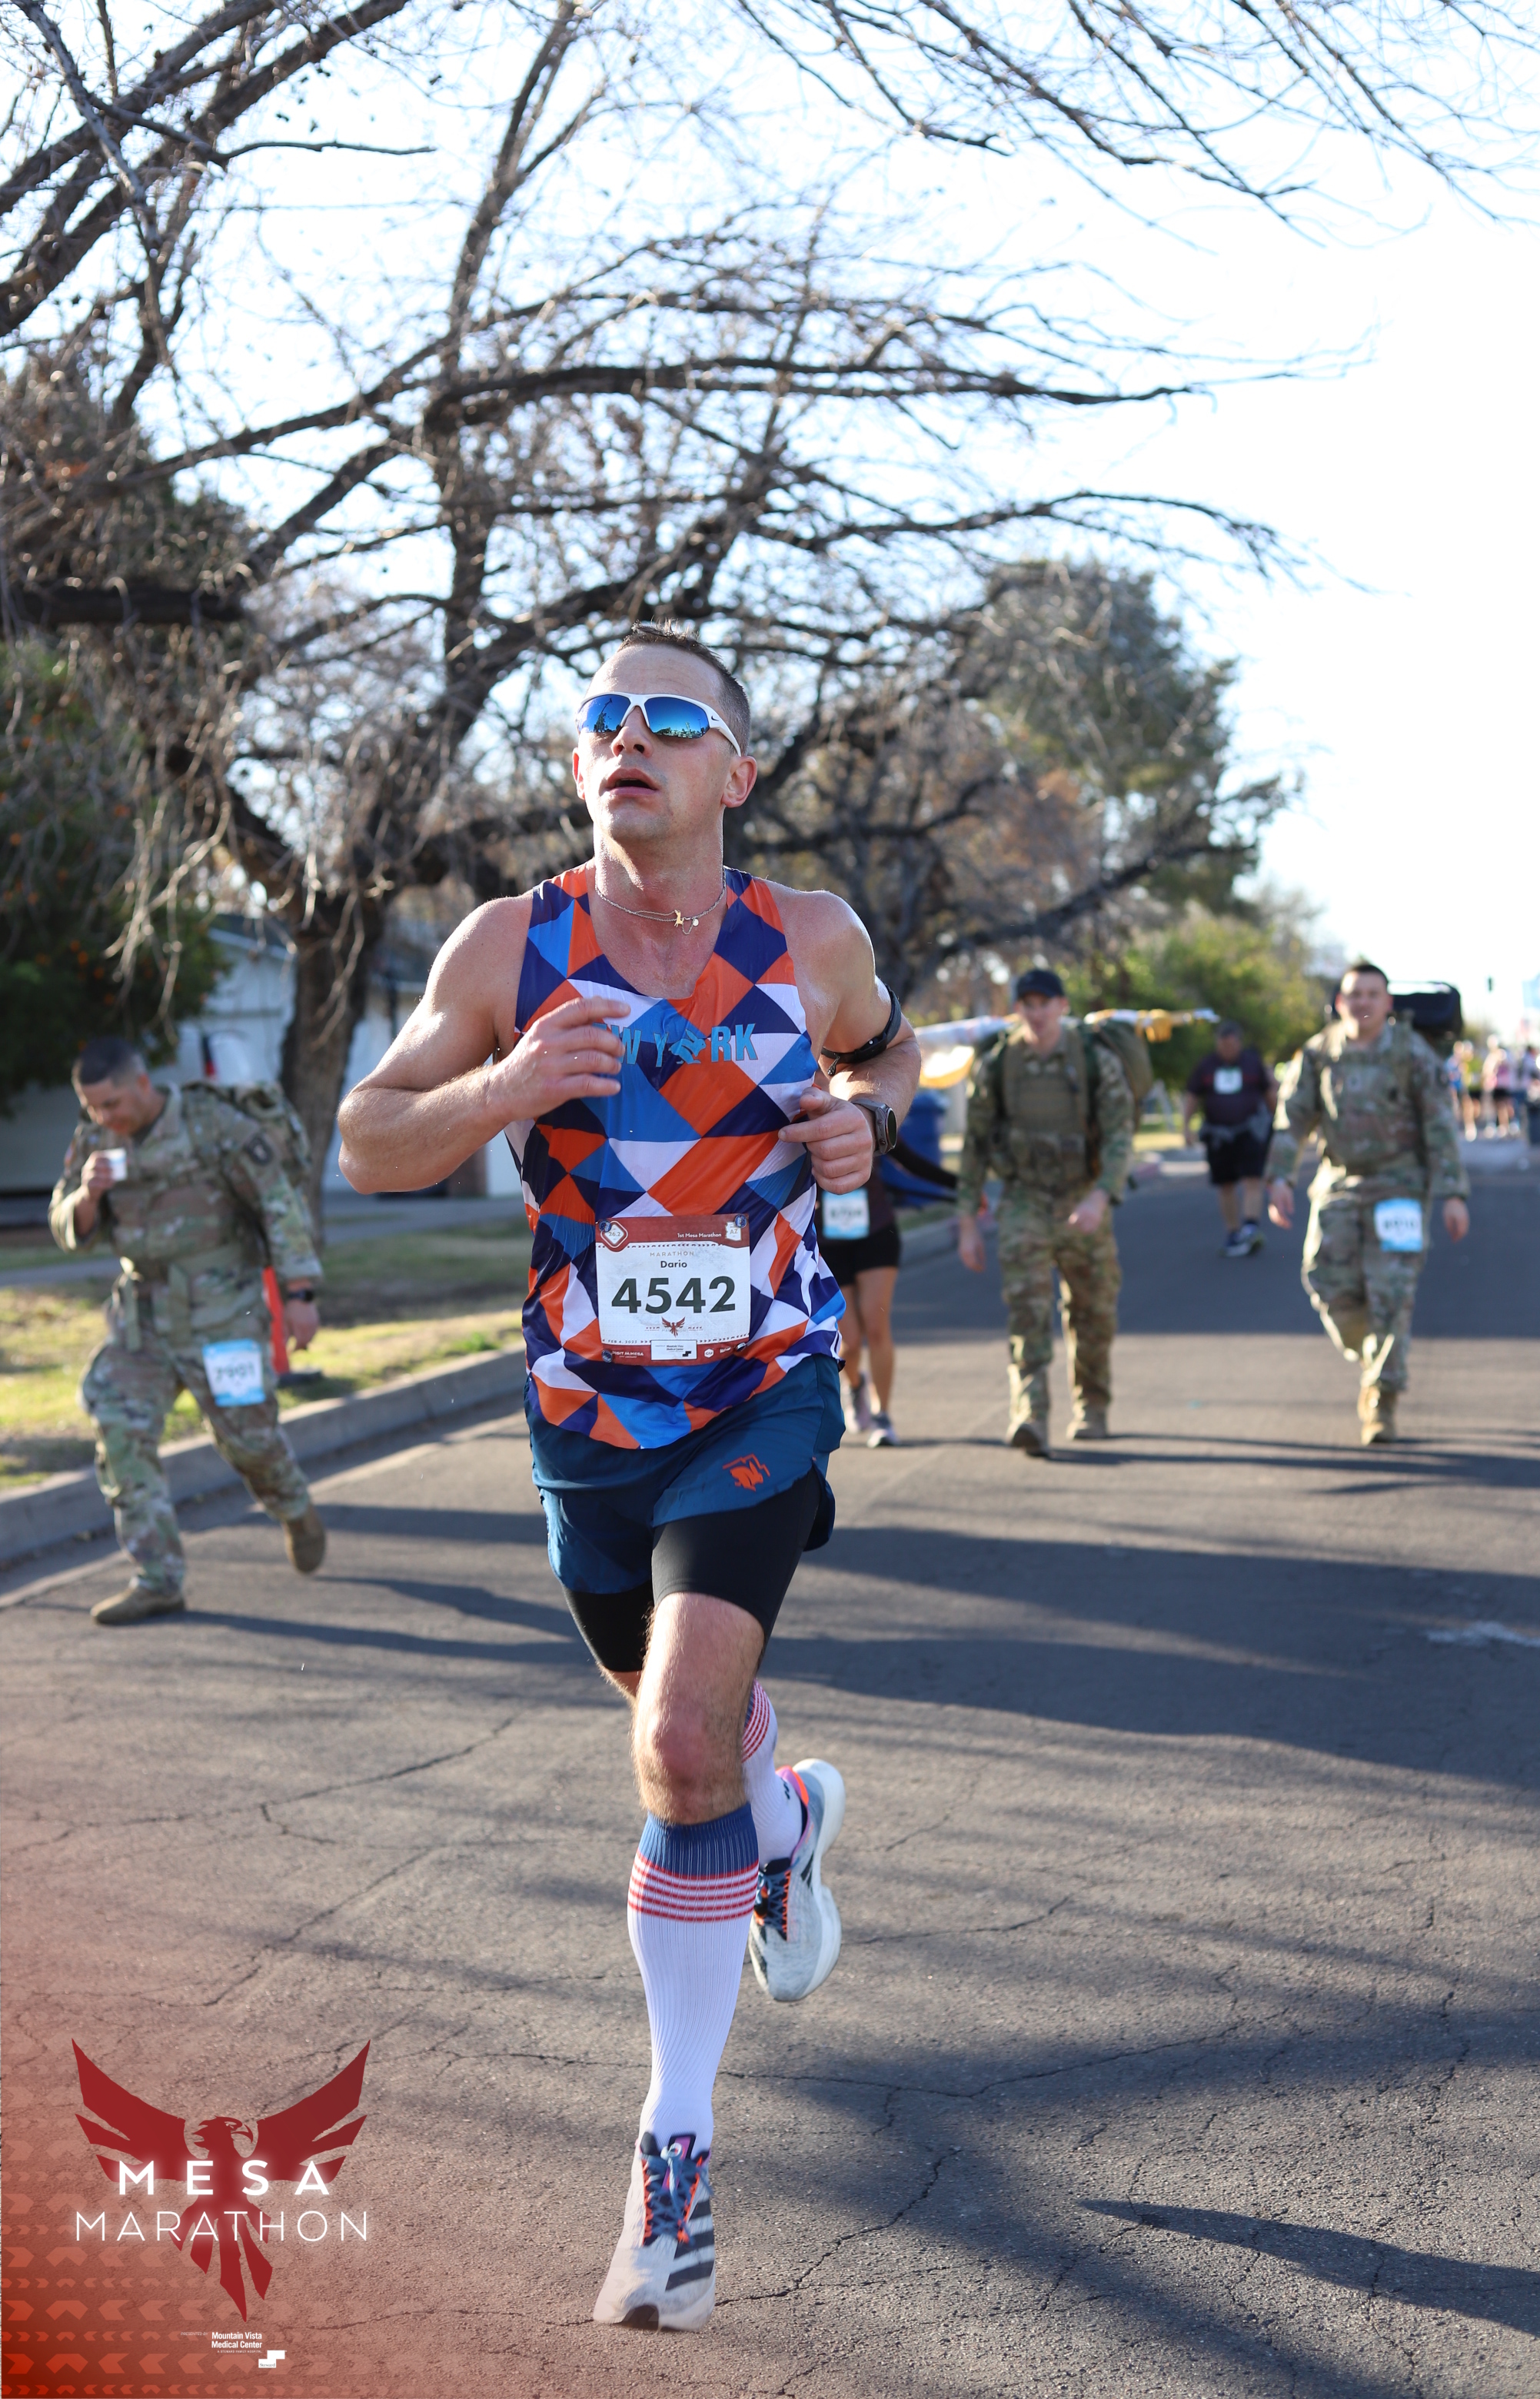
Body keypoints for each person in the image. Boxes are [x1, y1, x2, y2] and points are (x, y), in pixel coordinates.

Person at [335, 622, 920, 2333]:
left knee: (673, 1743)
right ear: (577, 762)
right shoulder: (507, 946)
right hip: (587, 1416)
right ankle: (784, 1824)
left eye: (668, 718)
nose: (627, 740)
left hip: (760, 1386)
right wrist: (506, 1085)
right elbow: (369, 1142)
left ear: (736, 770)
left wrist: (869, 1120)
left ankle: (674, 2156)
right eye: (601, 718)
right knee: (700, 1752)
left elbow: (887, 1054)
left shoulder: (809, 937)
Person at [48, 1038, 327, 1625]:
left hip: (223, 1314)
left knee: (250, 1442)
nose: (103, 1116)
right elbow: (67, 1227)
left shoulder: (213, 1124)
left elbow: (277, 1203)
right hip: (143, 1320)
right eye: (92, 1107)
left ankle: (293, 1505)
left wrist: (300, 1295)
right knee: (119, 1429)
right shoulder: (95, 1140)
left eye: (111, 1103)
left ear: (142, 1083)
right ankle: (157, 1578)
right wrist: (88, 1194)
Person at [1266, 960, 1468, 1446]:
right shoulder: (1319, 1053)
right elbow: (1292, 1117)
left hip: (1400, 1186)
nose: (1363, 1003)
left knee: (1392, 1294)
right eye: (1354, 994)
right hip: (1339, 1182)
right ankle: (1375, 1356)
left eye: (1372, 994)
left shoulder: (1412, 1053)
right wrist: (1279, 1177)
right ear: (1340, 1002)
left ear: (1387, 1003)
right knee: (1326, 1281)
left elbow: (1440, 1124)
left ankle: (1382, 1400)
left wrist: (1453, 1194)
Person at [954, 967, 1134, 1456]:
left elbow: (1119, 1135)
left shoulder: (1093, 1060)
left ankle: (1092, 1405)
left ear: (1062, 1006)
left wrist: (1101, 1196)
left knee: (1093, 1312)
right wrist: (967, 1220)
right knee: (1027, 1310)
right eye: (1027, 1004)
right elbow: (975, 1145)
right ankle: (1030, 1414)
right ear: (1017, 1009)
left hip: (1082, 1196)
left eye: (1045, 1003)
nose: (1036, 1013)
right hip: (1025, 1200)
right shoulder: (998, 1064)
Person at [818, 1137, 956, 1449]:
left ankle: (883, 1416)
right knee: (849, 1342)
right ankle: (856, 1385)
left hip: (876, 1234)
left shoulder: (867, 1113)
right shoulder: (800, 1117)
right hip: (827, 1243)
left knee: (877, 1326)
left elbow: (909, 1160)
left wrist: (963, 1187)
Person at [1181, 1020, 1279, 1256]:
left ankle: (1250, 1227)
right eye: (1223, 1046)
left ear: (1239, 1043)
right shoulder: (1207, 1066)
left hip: (1249, 1131)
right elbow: (1192, 1095)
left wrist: (1279, 1122)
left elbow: (1269, 1093)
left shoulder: (1252, 1063)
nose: (1227, 1050)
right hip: (1218, 1135)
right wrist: (1185, 1126)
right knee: (1225, 1184)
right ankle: (1233, 1232)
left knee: (1252, 1178)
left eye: (1231, 1045)